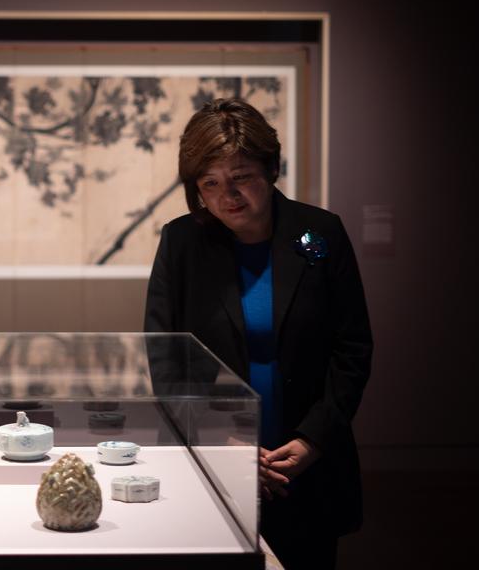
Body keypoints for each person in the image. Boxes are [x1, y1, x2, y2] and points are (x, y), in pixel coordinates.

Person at [144, 98, 372, 570]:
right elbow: (166, 362)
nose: (228, 195)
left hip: (306, 464)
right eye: (210, 183)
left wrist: (312, 440)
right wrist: (222, 438)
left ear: (270, 169)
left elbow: (352, 349)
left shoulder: (321, 233)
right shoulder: (181, 243)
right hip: (214, 460)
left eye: (241, 176)